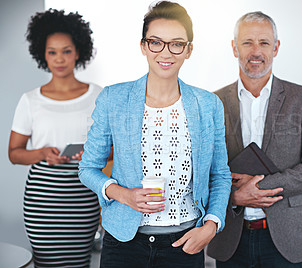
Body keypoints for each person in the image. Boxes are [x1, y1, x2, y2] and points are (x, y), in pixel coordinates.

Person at [78, 1, 231, 267]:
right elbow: (88, 168)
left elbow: (220, 175)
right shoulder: (113, 99)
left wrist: (211, 224)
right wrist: (124, 194)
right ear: (143, 46)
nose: (166, 52)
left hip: (184, 242)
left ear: (188, 50)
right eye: (156, 42)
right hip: (123, 243)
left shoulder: (208, 105)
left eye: (177, 44)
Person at [207, 11, 302, 267]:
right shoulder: (212, 103)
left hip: (288, 240)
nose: (256, 51)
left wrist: (259, 187)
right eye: (247, 42)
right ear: (234, 48)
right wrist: (234, 196)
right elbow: (201, 169)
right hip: (232, 237)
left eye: (264, 43)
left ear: (275, 48)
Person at [8, 9, 102, 268]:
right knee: (46, 263)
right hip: (42, 200)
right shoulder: (30, 100)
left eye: (66, 50)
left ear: (79, 51)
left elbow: (117, 149)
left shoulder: (98, 96)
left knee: (79, 262)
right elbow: (14, 153)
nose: (59, 58)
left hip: (83, 196)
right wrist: (41, 153)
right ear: (43, 54)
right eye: (52, 52)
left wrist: (92, 153)